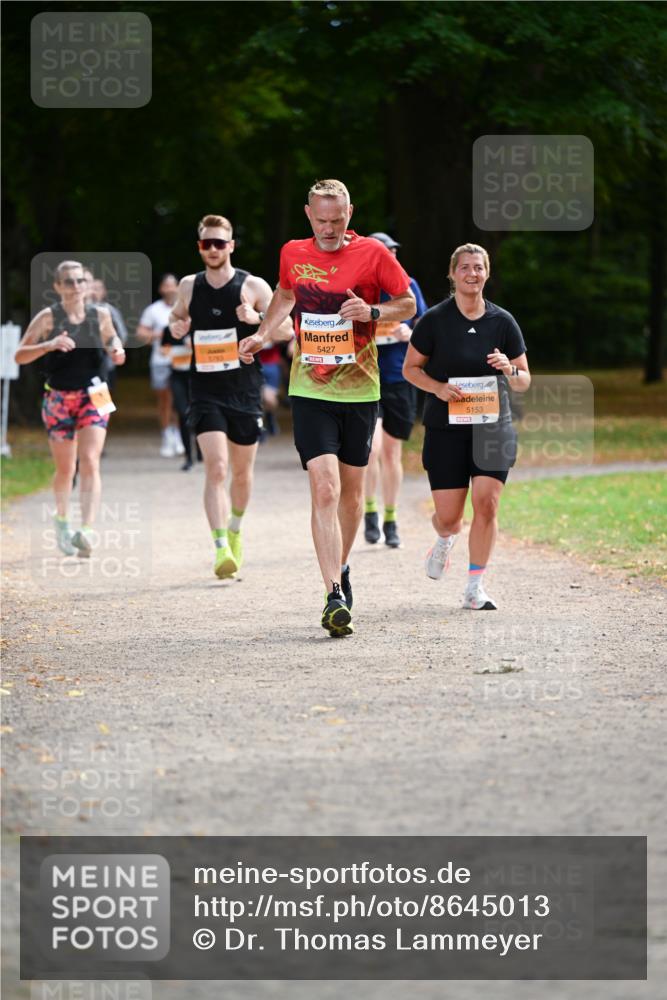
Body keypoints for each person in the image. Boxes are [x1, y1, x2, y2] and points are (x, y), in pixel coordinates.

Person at [239, 179, 416, 637]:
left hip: (360, 389)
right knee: (324, 488)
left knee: (353, 495)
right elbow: (284, 293)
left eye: (337, 220)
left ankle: (342, 564)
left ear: (350, 213)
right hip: (310, 388)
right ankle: (333, 592)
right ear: (308, 214)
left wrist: (373, 314)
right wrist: (262, 333)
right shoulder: (293, 253)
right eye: (321, 220)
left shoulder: (376, 255)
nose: (329, 228)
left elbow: (407, 303)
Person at [403, 243, 530, 611]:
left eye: (478, 267)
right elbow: (410, 370)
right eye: (465, 268)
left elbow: (524, 380)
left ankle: (475, 586)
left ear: (486, 273)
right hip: (446, 428)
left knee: (487, 504)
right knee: (449, 518)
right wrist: (438, 388)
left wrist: (509, 369)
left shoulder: (502, 322)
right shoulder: (435, 321)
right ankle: (444, 540)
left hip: (493, 427)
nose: (472, 273)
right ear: (453, 274)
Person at [170, 213, 293, 578]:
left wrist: (256, 318)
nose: (212, 249)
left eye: (219, 243)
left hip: (244, 390)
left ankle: (236, 528)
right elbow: (177, 319)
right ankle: (221, 545)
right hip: (205, 389)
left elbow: (286, 329)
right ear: (199, 247)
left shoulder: (252, 285)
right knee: (217, 467)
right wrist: (178, 326)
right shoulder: (189, 286)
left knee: (241, 473)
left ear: (231, 246)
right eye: (206, 243)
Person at [14, 260, 126, 556]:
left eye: (79, 281)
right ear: (58, 287)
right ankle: (62, 522)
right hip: (58, 397)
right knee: (67, 467)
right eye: (69, 282)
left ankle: (87, 530)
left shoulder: (100, 315)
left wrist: (117, 351)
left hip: (96, 394)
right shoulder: (48, 318)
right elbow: (20, 356)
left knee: (90, 460)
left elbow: (113, 340)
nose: (75, 286)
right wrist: (48, 345)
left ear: (87, 284)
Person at [364, 232, 428, 548]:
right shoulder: (362, 287)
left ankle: (391, 518)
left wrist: (409, 330)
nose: (390, 257)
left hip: (399, 377)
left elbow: (424, 322)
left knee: (391, 452)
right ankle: (370, 512)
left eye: (393, 252)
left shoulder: (408, 284)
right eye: (384, 253)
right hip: (366, 378)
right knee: (371, 450)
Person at [137, 274, 183, 458]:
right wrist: (160, 334)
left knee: (180, 400)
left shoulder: (186, 307)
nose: (170, 289)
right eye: (167, 285)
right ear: (161, 289)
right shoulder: (153, 310)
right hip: (160, 361)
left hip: (182, 361)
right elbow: (141, 333)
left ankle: (179, 435)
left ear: (179, 288)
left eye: (174, 285)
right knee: (165, 401)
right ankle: (166, 435)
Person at [89, 276, 129, 390]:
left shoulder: (109, 311)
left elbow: (122, 334)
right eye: (92, 288)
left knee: (104, 398)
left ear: (104, 291)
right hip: (82, 364)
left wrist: (116, 350)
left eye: (98, 288)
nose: (94, 291)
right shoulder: (77, 311)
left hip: (105, 362)